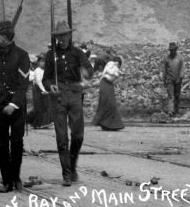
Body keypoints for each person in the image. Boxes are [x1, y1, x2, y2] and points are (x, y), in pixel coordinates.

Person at [43, 21, 94, 187]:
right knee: (62, 137)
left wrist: (85, 72)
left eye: (65, 35)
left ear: (70, 35)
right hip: (58, 96)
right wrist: (50, 85)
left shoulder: (78, 53)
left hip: (75, 94)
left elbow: (89, 71)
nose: (62, 38)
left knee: (78, 135)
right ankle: (66, 173)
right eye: (59, 36)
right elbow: (46, 78)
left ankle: (72, 165)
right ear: (56, 37)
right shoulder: (51, 55)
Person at [0, 20, 29, 192]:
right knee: (2, 144)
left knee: (17, 142)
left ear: (4, 37)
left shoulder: (22, 55)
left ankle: (15, 176)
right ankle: (6, 181)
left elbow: (23, 84)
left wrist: (13, 103)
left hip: (16, 106)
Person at [93, 56, 125, 131]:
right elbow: (108, 71)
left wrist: (121, 73)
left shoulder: (116, 67)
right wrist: (116, 72)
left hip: (109, 84)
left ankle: (109, 124)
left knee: (110, 103)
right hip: (105, 83)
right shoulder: (111, 63)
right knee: (108, 102)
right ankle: (106, 123)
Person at [161, 42, 184, 115]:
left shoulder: (180, 58)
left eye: (173, 50)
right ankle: (171, 111)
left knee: (177, 95)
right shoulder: (166, 58)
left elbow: (182, 69)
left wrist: (180, 77)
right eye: (170, 50)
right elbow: (164, 70)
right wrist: (164, 79)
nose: (172, 51)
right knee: (171, 96)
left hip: (178, 79)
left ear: (176, 49)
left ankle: (176, 110)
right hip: (169, 79)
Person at [27, 55, 50, 129]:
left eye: (44, 61)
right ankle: (37, 124)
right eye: (41, 61)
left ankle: (44, 122)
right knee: (38, 107)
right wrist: (43, 90)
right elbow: (38, 81)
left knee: (45, 106)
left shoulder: (47, 70)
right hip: (38, 89)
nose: (43, 63)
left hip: (45, 89)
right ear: (39, 62)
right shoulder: (37, 70)